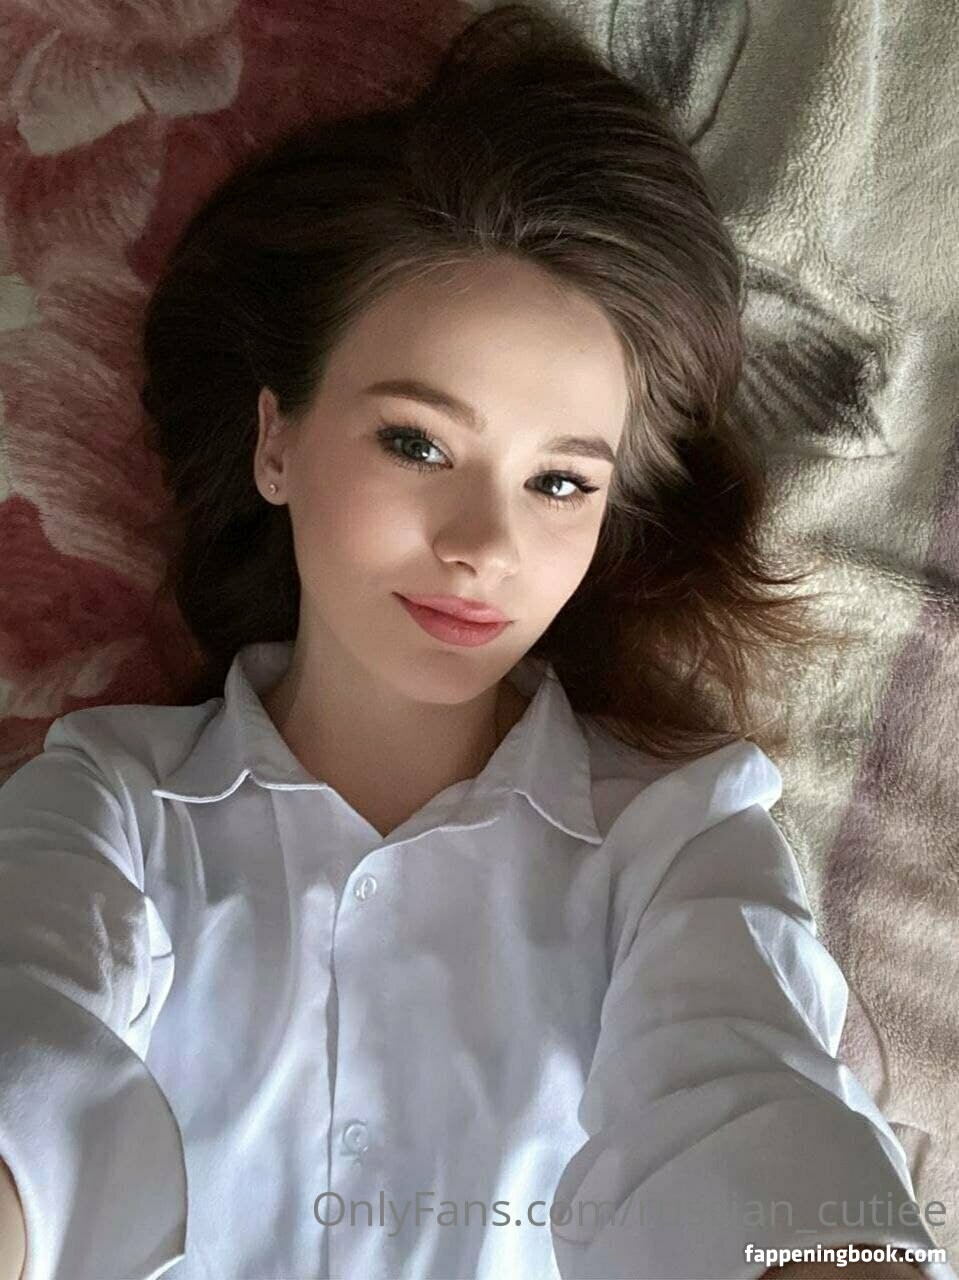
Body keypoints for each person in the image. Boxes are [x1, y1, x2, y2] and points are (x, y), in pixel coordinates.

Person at [0, 6, 952, 1279]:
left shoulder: (676, 836)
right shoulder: (107, 803)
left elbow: (746, 1109)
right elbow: (29, 1054)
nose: (482, 544)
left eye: (558, 481)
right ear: (276, 439)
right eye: (417, 442)